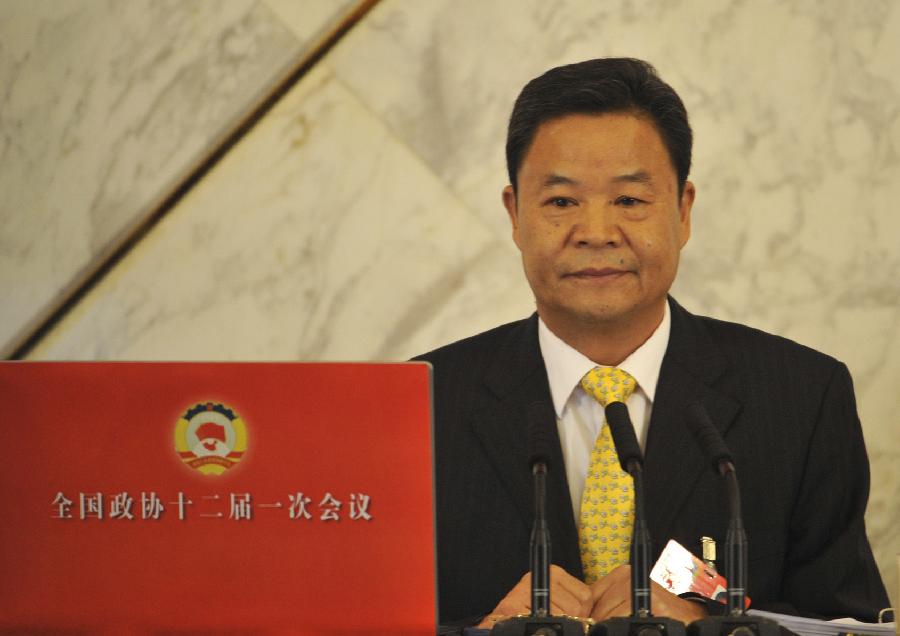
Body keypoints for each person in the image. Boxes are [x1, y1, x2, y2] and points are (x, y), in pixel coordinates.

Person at [415, 58, 889, 628]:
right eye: (562, 202)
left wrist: (710, 630)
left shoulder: (802, 398)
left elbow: (847, 623)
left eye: (630, 201)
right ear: (515, 215)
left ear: (683, 211)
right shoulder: (422, 404)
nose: (595, 231)